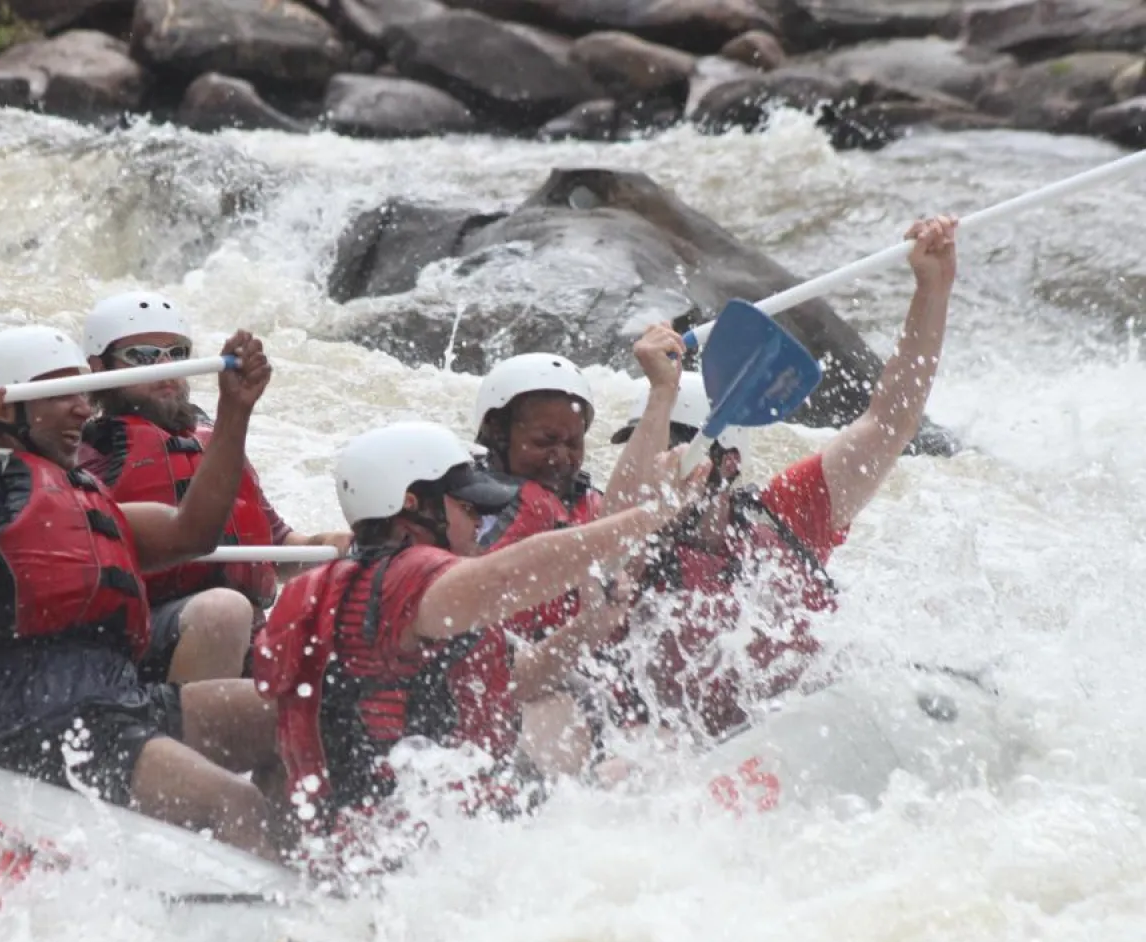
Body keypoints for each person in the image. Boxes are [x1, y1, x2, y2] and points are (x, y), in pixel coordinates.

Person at [0, 326, 282, 859]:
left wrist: (235, 410)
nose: (83, 409)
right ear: (6, 407)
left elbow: (192, 533)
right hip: (23, 720)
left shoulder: (86, 494)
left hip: (114, 704)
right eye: (61, 394)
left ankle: (312, 887)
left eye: (83, 392)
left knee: (298, 714)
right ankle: (272, 929)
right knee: (236, 801)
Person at [253, 421, 709, 858]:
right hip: (407, 849)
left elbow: (511, 683)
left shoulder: (363, 583)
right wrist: (655, 513)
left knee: (629, 762)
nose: (479, 524)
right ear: (412, 505)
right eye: (467, 508)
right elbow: (513, 571)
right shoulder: (406, 578)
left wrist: (592, 624)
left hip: (411, 825)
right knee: (643, 777)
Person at [605, 214, 961, 737]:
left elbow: (890, 422)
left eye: (672, 440)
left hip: (788, 732)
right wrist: (661, 395)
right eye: (646, 439)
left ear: (728, 462)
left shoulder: (790, 513)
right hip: (664, 741)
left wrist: (933, 286)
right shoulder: (621, 535)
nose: (660, 456)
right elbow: (616, 525)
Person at [80, 291, 352, 685]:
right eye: (141, 356)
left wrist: (340, 548)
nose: (164, 367)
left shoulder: (215, 443)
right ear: (99, 366)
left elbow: (278, 548)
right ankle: (178, 727)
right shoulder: (88, 450)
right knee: (224, 611)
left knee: (336, 628)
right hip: (143, 636)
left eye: (177, 353)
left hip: (239, 629)